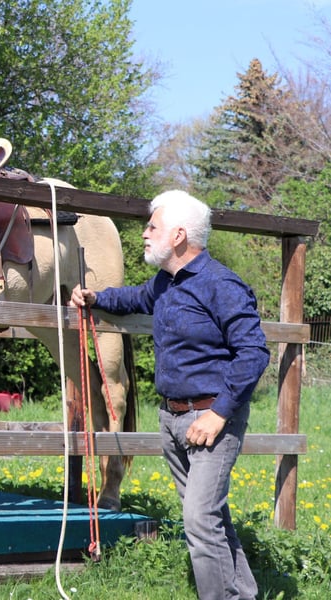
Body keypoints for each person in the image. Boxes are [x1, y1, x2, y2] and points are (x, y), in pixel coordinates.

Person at [71, 190, 270, 600]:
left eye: (153, 227)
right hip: (172, 419)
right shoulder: (165, 283)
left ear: (178, 236)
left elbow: (253, 353)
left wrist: (218, 414)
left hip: (211, 419)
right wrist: (97, 298)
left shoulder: (222, 285)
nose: (144, 234)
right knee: (210, 518)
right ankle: (244, 594)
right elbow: (134, 298)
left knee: (199, 519)